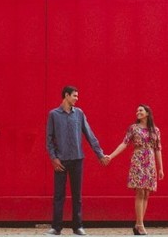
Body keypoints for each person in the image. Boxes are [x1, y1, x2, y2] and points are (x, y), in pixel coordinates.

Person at [45, 85, 108, 236]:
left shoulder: (79, 114)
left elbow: (89, 134)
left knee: (77, 195)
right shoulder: (53, 114)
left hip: (77, 159)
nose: (76, 99)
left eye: (77, 96)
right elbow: (48, 139)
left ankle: (77, 227)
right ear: (66, 96)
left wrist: (100, 154)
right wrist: (54, 158)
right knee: (59, 195)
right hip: (60, 161)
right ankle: (56, 228)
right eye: (74, 95)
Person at [103, 104, 163, 235]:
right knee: (140, 192)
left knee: (147, 193)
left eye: (141, 110)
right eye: (137, 110)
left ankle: (138, 224)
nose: (138, 112)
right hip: (139, 160)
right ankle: (140, 225)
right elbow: (124, 143)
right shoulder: (133, 128)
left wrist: (160, 168)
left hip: (150, 162)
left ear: (147, 113)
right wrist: (111, 156)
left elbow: (158, 149)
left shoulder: (155, 130)